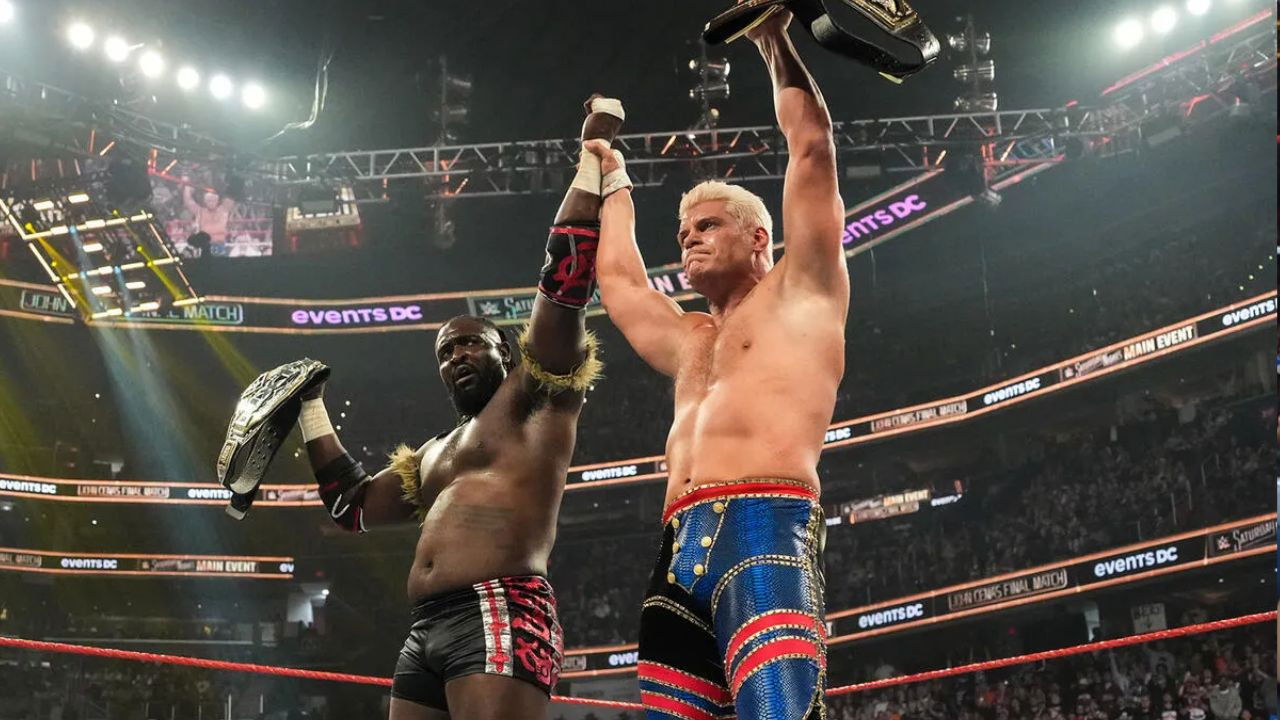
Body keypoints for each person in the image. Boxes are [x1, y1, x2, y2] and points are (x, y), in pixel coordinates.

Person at [296, 97, 625, 720]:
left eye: (472, 342)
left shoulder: (535, 397)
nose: (457, 355)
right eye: (446, 351)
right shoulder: (432, 455)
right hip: (424, 628)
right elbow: (351, 507)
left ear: (507, 352)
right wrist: (310, 407)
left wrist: (591, 158)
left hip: (501, 605)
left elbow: (563, 282)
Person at [587, 7, 847, 719]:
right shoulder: (691, 338)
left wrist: (772, 38)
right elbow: (620, 282)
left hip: (765, 524)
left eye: (707, 226)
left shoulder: (803, 291)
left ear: (759, 236)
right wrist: (611, 174)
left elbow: (812, 149)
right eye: (682, 233)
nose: (689, 241)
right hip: (676, 551)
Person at [181, 176, 237, 256]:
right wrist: (186, 186)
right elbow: (188, 202)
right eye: (209, 200)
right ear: (205, 202)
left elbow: (232, 196)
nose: (211, 202)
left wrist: (233, 178)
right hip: (205, 247)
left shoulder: (224, 209)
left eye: (213, 200)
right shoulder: (200, 211)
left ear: (217, 201)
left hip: (221, 245)